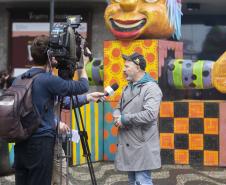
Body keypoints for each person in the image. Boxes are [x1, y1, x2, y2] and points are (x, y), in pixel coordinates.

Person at [14, 35, 90, 185]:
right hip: (40, 143)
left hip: (21, 143)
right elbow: (83, 86)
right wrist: (82, 66)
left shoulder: (19, 78)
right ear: (50, 56)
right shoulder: (47, 80)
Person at [113, 52, 162, 185]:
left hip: (142, 144)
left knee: (142, 181)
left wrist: (124, 119)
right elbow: (119, 107)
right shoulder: (127, 87)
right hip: (128, 142)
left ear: (138, 67)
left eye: (127, 66)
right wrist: (117, 116)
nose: (123, 70)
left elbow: (150, 114)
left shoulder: (152, 88)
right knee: (133, 181)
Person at [52, 92, 104, 185]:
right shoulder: (39, 83)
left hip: (52, 141)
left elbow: (64, 101)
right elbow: (34, 111)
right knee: (60, 177)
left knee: (56, 176)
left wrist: (88, 97)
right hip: (44, 141)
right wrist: (55, 123)